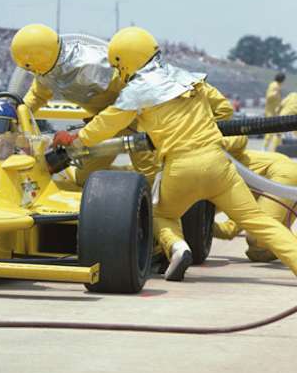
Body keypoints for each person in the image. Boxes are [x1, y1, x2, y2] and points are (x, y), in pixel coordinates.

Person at [53, 26, 297, 282]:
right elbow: (224, 109)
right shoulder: (189, 79)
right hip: (218, 163)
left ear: (123, 62)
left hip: (180, 168)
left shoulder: (135, 93)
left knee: (159, 214)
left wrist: (74, 139)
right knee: (260, 222)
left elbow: (105, 126)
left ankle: (177, 248)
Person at [10, 24, 158, 185]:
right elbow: (37, 95)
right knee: (85, 179)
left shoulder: (94, 64)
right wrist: (14, 114)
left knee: (150, 177)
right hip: (104, 123)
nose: (35, 74)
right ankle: (129, 179)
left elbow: (132, 96)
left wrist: (80, 136)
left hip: (137, 118)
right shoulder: (45, 71)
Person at [213, 135, 297, 262]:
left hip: (283, 174)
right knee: (256, 252)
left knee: (258, 237)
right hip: (285, 178)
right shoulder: (231, 195)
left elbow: (241, 138)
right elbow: (229, 230)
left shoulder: (222, 162)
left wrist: (214, 143)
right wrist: (202, 228)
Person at [263, 72, 286, 151]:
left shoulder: (277, 85)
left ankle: (277, 148)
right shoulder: (274, 85)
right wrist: (275, 94)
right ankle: (265, 147)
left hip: (275, 112)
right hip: (270, 112)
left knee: (277, 130)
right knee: (270, 130)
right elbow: (269, 97)